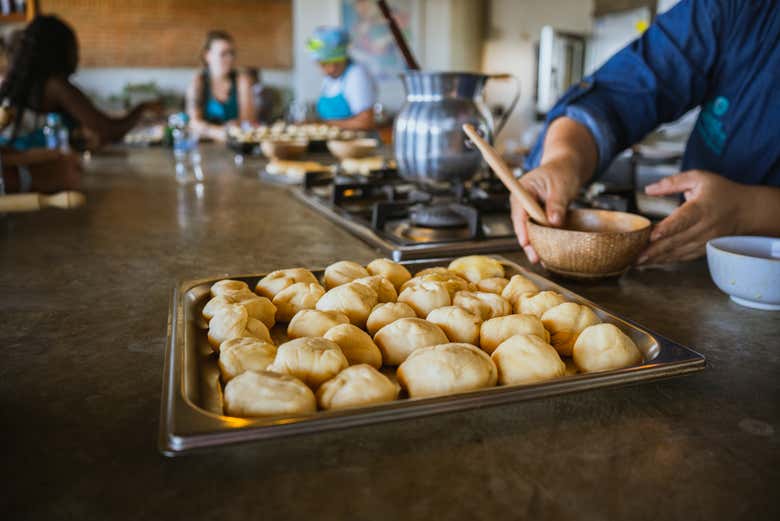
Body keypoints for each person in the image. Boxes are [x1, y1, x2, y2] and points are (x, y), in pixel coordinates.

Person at [513, 0, 780, 266]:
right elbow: (619, 93)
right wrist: (563, 159)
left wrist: (749, 211)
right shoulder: (739, 9)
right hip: (700, 267)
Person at [0, 15, 161, 150]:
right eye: (73, 47)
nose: (77, 55)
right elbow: (109, 130)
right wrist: (142, 109)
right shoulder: (57, 86)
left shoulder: (20, 83)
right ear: (57, 50)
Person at [186, 31, 255, 141]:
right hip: (206, 147)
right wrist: (220, 132)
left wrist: (208, 129)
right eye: (223, 54)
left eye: (231, 53)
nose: (229, 59)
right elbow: (194, 123)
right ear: (207, 56)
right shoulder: (198, 82)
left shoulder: (242, 81)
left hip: (236, 145)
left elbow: (248, 121)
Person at [306, 26, 377, 130]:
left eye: (334, 64)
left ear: (342, 59)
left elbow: (365, 122)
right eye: (322, 64)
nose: (328, 70)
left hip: (356, 143)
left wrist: (324, 125)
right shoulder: (329, 79)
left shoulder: (356, 75)